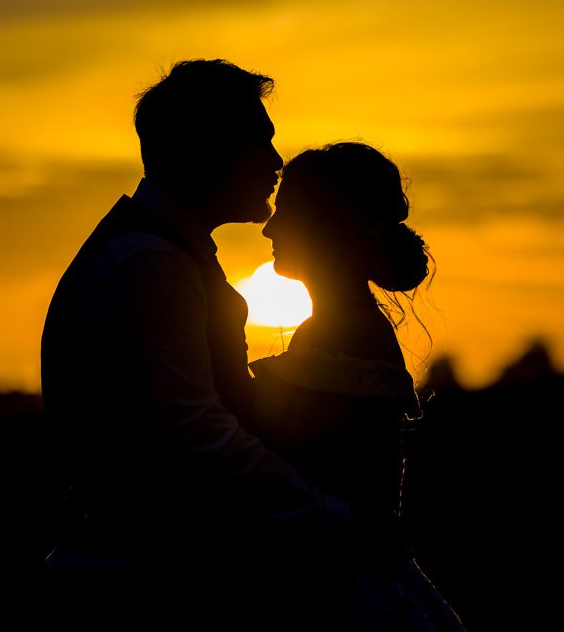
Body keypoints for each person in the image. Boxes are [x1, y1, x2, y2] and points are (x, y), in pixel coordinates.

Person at [40, 60, 349, 629]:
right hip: (145, 588)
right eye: (260, 142)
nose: (276, 163)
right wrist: (329, 513)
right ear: (210, 147)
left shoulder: (153, 254)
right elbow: (193, 431)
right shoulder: (150, 263)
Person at [251, 141, 468, 631]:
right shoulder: (333, 328)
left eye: (286, 212)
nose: (269, 228)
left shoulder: (346, 332)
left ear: (327, 226)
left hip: (344, 593)